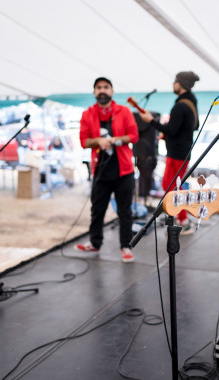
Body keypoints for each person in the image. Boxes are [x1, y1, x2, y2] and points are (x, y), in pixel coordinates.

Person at [75, 77, 139, 263]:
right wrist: (98, 141)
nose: (102, 90)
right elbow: (83, 141)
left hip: (123, 170)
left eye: (106, 87)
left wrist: (113, 140)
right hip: (100, 171)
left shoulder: (124, 111)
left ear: (111, 91)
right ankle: (95, 243)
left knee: (125, 212)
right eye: (99, 88)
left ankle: (126, 246)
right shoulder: (88, 114)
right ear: (95, 92)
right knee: (97, 210)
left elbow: (133, 136)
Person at [139, 71, 200, 235]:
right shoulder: (191, 102)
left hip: (177, 153)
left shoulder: (180, 105)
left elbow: (172, 129)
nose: (173, 84)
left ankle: (184, 222)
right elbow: (193, 126)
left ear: (181, 84)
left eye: (175, 81)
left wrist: (151, 121)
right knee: (174, 187)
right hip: (183, 151)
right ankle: (182, 219)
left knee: (170, 187)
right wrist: (169, 133)